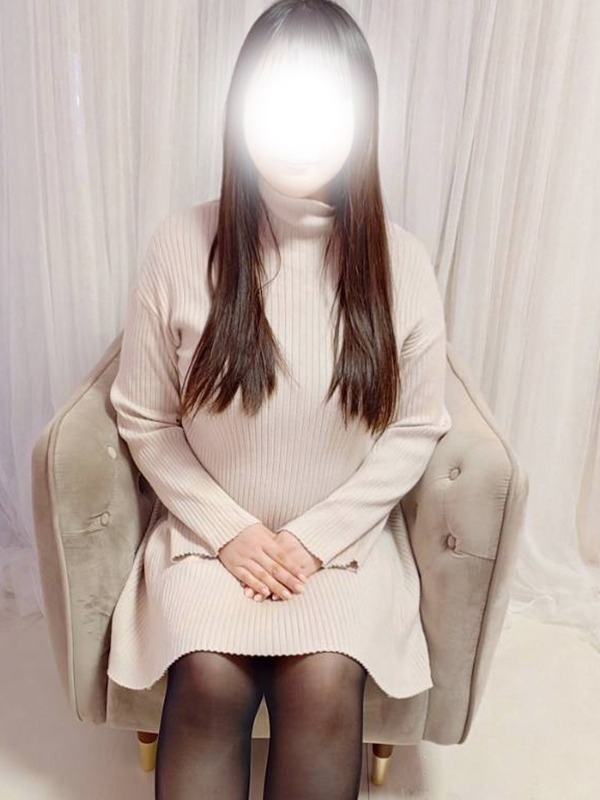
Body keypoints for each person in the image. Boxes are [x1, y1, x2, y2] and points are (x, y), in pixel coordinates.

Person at [107, 1, 452, 798]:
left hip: (344, 547)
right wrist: (229, 532)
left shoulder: (401, 261)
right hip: (206, 540)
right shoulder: (179, 243)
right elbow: (146, 417)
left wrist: (316, 539)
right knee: (208, 677)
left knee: (325, 681)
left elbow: (415, 427)